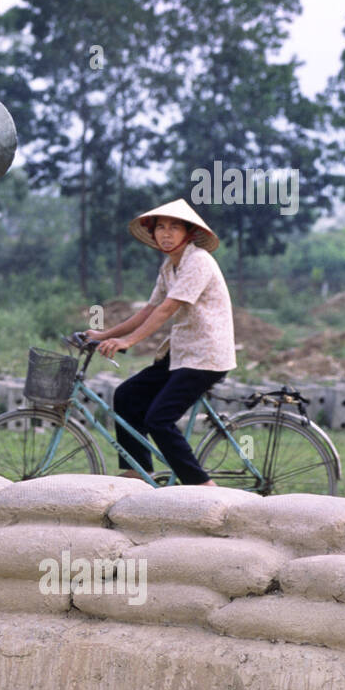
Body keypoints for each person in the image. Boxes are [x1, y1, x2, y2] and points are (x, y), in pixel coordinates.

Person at [84, 199, 236, 486]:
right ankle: (138, 470)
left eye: (174, 228)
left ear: (188, 233)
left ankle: (203, 486)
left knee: (159, 420)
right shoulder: (170, 266)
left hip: (205, 356)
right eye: (161, 228)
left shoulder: (198, 261)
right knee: (127, 396)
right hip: (181, 353)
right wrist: (103, 335)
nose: (166, 234)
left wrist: (128, 341)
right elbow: (149, 310)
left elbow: (167, 310)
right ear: (153, 234)